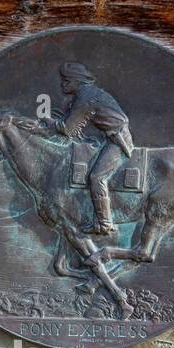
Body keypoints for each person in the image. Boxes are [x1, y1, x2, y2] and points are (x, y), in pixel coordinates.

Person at [46, 62, 134, 235]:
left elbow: (68, 129)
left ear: (77, 81)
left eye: (66, 80)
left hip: (117, 139)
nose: (62, 84)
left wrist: (49, 122)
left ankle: (104, 223)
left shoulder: (85, 97)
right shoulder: (87, 94)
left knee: (96, 177)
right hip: (107, 137)